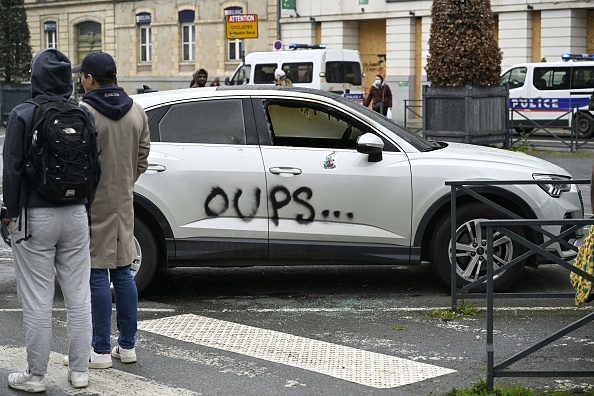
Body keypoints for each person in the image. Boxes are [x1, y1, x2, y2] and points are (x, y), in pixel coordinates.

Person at [3, 48, 96, 392]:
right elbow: (95, 169)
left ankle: (35, 375)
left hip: (34, 215)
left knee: (37, 298)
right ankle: (80, 371)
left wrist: (9, 214)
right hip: (76, 213)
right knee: (78, 294)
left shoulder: (23, 113)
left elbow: (11, 170)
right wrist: (86, 208)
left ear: (36, 77)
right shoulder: (82, 113)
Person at [69, 51, 150, 369]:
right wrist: (128, 178)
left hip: (93, 200)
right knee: (123, 270)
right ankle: (127, 346)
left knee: (97, 271)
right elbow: (143, 153)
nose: (79, 80)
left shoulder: (85, 111)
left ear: (90, 78)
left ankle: (100, 349)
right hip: (124, 198)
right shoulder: (137, 110)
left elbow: (75, 156)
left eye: (82, 75)